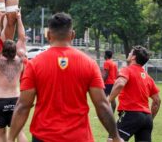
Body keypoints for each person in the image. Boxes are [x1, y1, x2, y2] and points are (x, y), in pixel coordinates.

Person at [8, 13, 123, 142]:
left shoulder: (34, 64)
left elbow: (23, 105)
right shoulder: (89, 63)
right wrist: (116, 137)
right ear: (72, 35)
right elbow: (102, 105)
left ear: (48, 35)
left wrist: (11, 138)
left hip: (44, 137)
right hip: (79, 137)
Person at [108, 46, 161, 142]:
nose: (128, 54)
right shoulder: (148, 77)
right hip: (147, 118)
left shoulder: (127, 70)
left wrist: (108, 101)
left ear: (133, 57)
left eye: (130, 53)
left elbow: (120, 83)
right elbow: (157, 101)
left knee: (112, 140)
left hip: (131, 114)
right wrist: (149, 118)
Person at [0, 8, 27, 142]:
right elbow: (22, 38)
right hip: (16, 101)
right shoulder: (20, 59)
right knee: (19, 133)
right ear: (15, 50)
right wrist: (19, 18)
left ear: (2, 49)